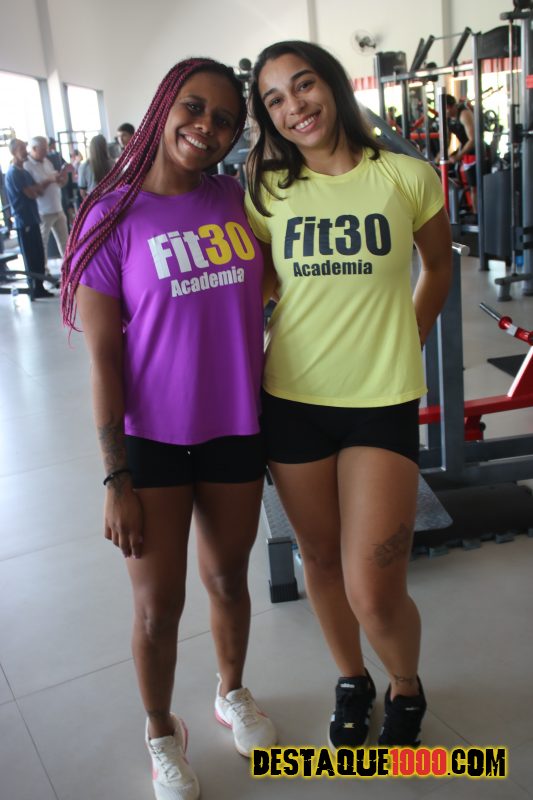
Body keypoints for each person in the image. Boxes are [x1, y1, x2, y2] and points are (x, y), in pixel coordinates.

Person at [61, 57, 276, 800]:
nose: (206, 127)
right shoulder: (110, 216)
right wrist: (114, 475)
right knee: (158, 609)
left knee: (228, 578)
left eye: (224, 120)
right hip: (151, 441)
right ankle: (160, 731)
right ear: (163, 106)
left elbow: (277, 284)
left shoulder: (236, 199)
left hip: (234, 428)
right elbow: (101, 359)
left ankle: (231, 691)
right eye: (193, 107)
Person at [246, 41, 452, 749]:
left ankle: (405, 682)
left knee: (375, 586)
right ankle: (350, 678)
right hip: (292, 400)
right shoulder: (267, 190)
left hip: (379, 402)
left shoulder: (404, 175)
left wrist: (408, 335)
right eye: (275, 99)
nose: (294, 106)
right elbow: (262, 285)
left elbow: (436, 265)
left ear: (332, 85)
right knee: (321, 560)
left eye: (303, 85)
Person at [4, 139, 55, 298]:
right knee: (30, 256)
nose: (25, 151)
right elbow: (32, 193)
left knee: (38, 255)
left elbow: (38, 191)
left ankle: (40, 287)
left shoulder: (24, 172)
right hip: (24, 221)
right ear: (13, 151)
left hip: (33, 219)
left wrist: (36, 188)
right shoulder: (14, 173)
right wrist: (35, 189)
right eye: (21, 148)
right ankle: (34, 288)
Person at [24, 135, 69, 269]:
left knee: (65, 241)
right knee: (42, 243)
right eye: (43, 149)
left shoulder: (47, 161)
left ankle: (69, 268)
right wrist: (49, 180)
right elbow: (34, 190)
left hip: (57, 207)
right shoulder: (27, 166)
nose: (46, 152)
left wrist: (61, 178)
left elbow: (57, 182)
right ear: (34, 149)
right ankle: (44, 271)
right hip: (43, 211)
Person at [444, 94, 478, 213]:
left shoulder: (464, 114)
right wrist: (439, 156)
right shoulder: (447, 119)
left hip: (476, 152)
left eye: (445, 109)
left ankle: (476, 214)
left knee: (474, 187)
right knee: (465, 184)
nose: (443, 112)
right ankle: (469, 208)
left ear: (450, 107)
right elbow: (446, 141)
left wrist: (458, 156)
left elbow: (472, 140)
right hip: (464, 152)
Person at [77, 134, 115, 198]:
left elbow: (82, 191)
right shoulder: (112, 163)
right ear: (105, 147)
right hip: (111, 198)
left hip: (93, 200)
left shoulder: (84, 166)